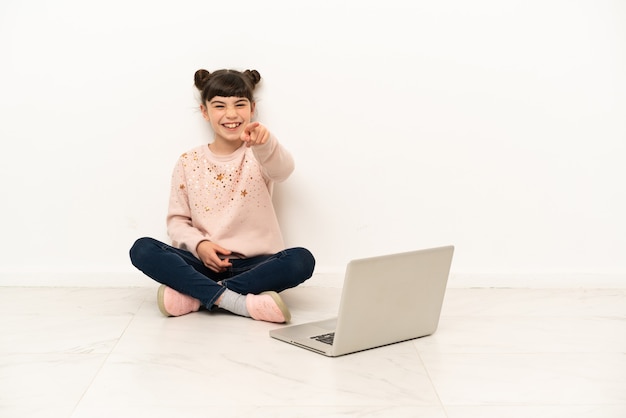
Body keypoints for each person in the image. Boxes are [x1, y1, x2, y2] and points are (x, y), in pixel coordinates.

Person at [129, 68, 315, 323]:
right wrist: (201, 246)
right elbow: (177, 222)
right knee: (142, 249)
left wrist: (266, 143)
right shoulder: (188, 161)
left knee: (301, 260)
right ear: (205, 111)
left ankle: (196, 295)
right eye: (219, 106)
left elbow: (283, 171)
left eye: (239, 104)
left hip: (255, 265)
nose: (231, 114)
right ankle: (236, 301)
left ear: (252, 108)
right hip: (202, 262)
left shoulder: (259, 153)